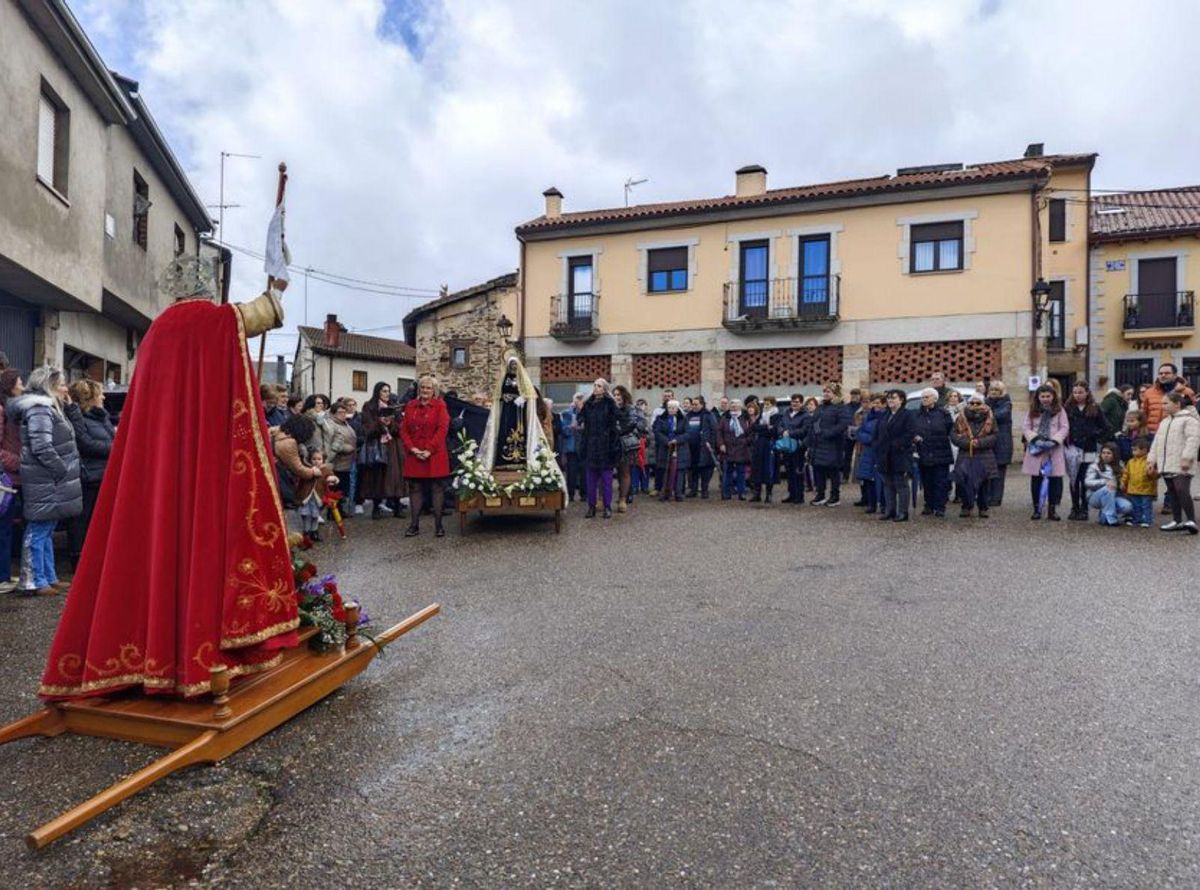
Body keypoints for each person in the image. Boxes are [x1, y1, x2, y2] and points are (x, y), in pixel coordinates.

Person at [13, 366, 82, 596]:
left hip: (50, 480)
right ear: (49, 385)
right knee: (38, 528)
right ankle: (33, 580)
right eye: (61, 384)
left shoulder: (50, 408)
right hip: (46, 479)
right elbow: (41, 445)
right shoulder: (40, 410)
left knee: (47, 526)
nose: (65, 388)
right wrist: (61, 469)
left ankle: (48, 577)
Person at [64, 379, 115, 569]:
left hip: (102, 476)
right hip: (88, 477)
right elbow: (85, 444)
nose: (103, 397)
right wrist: (115, 449)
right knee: (81, 519)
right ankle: (78, 559)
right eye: (99, 393)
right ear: (90, 397)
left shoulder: (102, 417)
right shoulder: (79, 419)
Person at [400, 375, 451, 537]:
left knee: (437, 488)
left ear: (434, 390)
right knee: (415, 488)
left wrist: (429, 449)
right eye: (423, 387)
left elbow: (442, 429)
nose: (425, 391)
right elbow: (404, 429)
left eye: (429, 388)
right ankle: (414, 525)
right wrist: (412, 449)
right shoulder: (411, 405)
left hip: (435, 453)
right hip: (414, 453)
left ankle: (438, 525)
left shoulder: (440, 406)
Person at [1147, 391, 1200, 533]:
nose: (1162, 406)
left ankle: (1191, 520)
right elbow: (1156, 442)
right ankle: (1176, 521)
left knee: (1182, 489)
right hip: (1166, 462)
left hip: (1181, 462)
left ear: (1177, 404)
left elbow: (1193, 440)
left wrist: (1187, 458)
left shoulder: (1189, 420)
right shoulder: (1165, 421)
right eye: (1162, 403)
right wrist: (1151, 460)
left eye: (1166, 403)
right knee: (1172, 492)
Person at [1022, 384, 1069, 521]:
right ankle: (1037, 508)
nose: (1045, 399)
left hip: (1053, 449)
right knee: (1036, 479)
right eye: (1042, 396)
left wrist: (1055, 440)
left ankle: (1052, 510)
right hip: (1037, 448)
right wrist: (1035, 439)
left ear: (1053, 396)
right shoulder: (1032, 410)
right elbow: (1026, 427)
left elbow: (1064, 427)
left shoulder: (1060, 410)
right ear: (1038, 397)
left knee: (1054, 479)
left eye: (1048, 396)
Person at [358, 381, 405, 520]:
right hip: (377, 445)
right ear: (377, 392)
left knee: (395, 476)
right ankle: (376, 507)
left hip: (393, 446)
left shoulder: (394, 407)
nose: (387, 394)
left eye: (388, 391)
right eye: (384, 391)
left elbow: (401, 427)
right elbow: (367, 428)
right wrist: (380, 422)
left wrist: (391, 424)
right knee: (377, 477)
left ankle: (397, 506)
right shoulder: (369, 406)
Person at [1065, 382, 1110, 521]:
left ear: (1087, 393)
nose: (1078, 395)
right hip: (1073, 448)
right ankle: (1074, 507)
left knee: (1085, 478)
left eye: (1080, 392)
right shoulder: (1068, 408)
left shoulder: (1095, 408)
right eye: (1075, 392)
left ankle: (1084, 508)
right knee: (1074, 478)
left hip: (1089, 448)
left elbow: (1106, 427)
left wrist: (1095, 435)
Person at [950, 393, 997, 518]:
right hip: (965, 453)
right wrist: (967, 443)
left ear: (983, 403)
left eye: (978, 403)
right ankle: (966, 506)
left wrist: (980, 443)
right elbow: (954, 435)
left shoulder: (990, 416)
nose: (974, 405)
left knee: (983, 483)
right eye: (971, 403)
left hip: (984, 454)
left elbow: (995, 435)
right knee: (964, 482)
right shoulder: (961, 417)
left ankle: (983, 507)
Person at [579, 378, 619, 518]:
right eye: (595, 385)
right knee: (590, 480)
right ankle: (591, 507)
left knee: (607, 480)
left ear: (604, 389)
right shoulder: (588, 404)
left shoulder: (610, 404)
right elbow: (580, 418)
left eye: (599, 386)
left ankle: (607, 507)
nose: (596, 388)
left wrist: (611, 439)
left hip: (606, 446)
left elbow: (615, 424)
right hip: (591, 445)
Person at [874, 389, 915, 521]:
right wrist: (877, 445)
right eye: (889, 398)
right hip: (884, 455)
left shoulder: (907, 415)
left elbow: (909, 433)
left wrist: (895, 445)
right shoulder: (884, 415)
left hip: (900, 455)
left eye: (894, 398)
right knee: (887, 484)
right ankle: (889, 510)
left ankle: (903, 512)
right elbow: (877, 433)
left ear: (901, 400)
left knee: (901, 484)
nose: (890, 400)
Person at [912, 387, 953, 518]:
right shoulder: (916, 414)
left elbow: (950, 430)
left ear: (934, 399)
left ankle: (940, 507)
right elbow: (911, 430)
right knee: (927, 481)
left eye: (927, 397)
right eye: (923, 397)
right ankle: (928, 505)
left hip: (941, 452)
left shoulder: (943, 413)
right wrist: (915, 437)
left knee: (941, 481)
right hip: (923, 452)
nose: (924, 400)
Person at [0, 369, 24, 594]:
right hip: (6, 478)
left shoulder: (13, 410)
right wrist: (17, 462)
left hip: (12, 477)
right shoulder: (2, 411)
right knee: (3, 529)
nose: (22, 386)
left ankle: (4, 575)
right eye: (19, 382)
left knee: (7, 529)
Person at [808, 383, 850, 506]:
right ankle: (820, 494)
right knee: (818, 470)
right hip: (818, 444)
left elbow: (843, 424)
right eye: (824, 391)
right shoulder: (820, 407)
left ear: (835, 394)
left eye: (828, 392)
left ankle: (835, 496)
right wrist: (812, 438)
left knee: (833, 471)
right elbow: (813, 422)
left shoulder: (840, 407)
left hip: (833, 444)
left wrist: (828, 433)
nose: (825, 394)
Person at [652, 399, 691, 502]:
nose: (671, 410)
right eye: (669, 407)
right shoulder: (660, 419)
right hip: (665, 448)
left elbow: (688, 433)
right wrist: (667, 441)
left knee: (679, 471)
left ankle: (678, 493)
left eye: (673, 408)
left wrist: (677, 440)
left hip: (680, 448)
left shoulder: (684, 419)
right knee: (665, 470)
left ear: (677, 409)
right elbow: (657, 432)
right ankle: (665, 492)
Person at [1085, 442, 1131, 527]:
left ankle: (1104, 516)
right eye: (1103, 453)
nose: (1105, 455)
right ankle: (1112, 519)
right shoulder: (1094, 466)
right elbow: (1087, 482)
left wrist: (1122, 484)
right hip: (1095, 496)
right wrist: (1105, 481)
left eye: (1109, 453)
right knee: (1109, 488)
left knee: (1127, 506)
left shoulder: (1120, 465)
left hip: (1113, 496)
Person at [612, 385, 643, 513]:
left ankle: (623, 498)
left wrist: (617, 431)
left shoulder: (630, 408)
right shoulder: (611, 408)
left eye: (618, 394)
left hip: (626, 443)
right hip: (613, 443)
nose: (616, 397)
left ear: (624, 395)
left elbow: (632, 423)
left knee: (625, 471)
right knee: (617, 472)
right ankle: (622, 494)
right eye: (614, 395)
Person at [854, 394, 885, 514]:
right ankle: (871, 504)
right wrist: (870, 439)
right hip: (868, 451)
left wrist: (875, 439)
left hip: (880, 452)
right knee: (868, 479)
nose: (876, 405)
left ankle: (883, 504)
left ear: (883, 404)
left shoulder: (886, 416)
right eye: (874, 403)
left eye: (878, 403)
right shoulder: (867, 417)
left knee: (882, 479)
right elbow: (860, 432)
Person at [327, 400, 358, 514]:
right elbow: (331, 442)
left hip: (347, 463)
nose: (343, 414)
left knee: (342, 488)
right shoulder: (332, 425)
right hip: (337, 462)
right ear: (334, 413)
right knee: (335, 488)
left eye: (344, 412)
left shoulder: (346, 423)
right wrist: (346, 448)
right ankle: (333, 512)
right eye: (340, 412)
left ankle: (339, 509)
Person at [986, 380, 1013, 506]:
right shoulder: (986, 403)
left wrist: (986, 413)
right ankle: (987, 496)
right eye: (992, 390)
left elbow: (998, 416)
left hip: (1002, 442)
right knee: (987, 471)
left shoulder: (1006, 404)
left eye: (997, 390)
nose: (994, 393)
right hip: (988, 442)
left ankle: (996, 498)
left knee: (999, 472)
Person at [685, 395, 718, 499]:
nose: (694, 406)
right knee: (693, 470)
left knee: (706, 470)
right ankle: (693, 490)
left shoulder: (708, 415)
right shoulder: (688, 415)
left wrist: (711, 443)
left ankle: (704, 490)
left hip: (704, 447)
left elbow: (714, 430)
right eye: (693, 404)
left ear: (702, 404)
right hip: (691, 447)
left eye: (696, 404)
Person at [779, 394, 810, 504]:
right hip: (787, 446)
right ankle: (791, 494)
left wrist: (790, 433)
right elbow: (780, 425)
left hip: (798, 446)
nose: (794, 404)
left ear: (801, 403)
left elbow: (804, 430)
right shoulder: (786, 413)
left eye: (796, 402)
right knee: (789, 472)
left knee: (798, 472)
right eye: (793, 402)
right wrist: (782, 431)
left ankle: (799, 496)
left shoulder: (805, 415)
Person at [718, 399, 751, 500]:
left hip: (742, 448)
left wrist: (746, 441)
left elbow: (751, 432)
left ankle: (742, 493)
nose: (734, 407)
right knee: (727, 472)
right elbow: (719, 432)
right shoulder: (724, 418)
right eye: (732, 405)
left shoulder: (746, 417)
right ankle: (726, 493)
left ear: (740, 406)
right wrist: (721, 444)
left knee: (741, 472)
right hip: (728, 448)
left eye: (736, 405)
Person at [1121, 437, 1157, 528]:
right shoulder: (1130, 462)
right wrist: (1123, 482)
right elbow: (1126, 474)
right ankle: (1137, 520)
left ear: (1144, 450)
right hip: (1133, 489)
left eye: (1135, 450)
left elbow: (1156, 475)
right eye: (1132, 450)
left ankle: (1147, 520)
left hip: (1146, 489)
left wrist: (1152, 473)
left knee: (1146, 506)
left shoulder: (1149, 461)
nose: (1133, 452)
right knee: (1136, 506)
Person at [560, 393, 585, 503]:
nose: (579, 402)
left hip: (584, 447)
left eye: (581, 400)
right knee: (571, 473)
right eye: (577, 400)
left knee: (584, 472)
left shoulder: (587, 413)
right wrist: (571, 427)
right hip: (572, 447)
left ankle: (584, 494)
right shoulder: (567, 413)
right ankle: (570, 494)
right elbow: (564, 430)